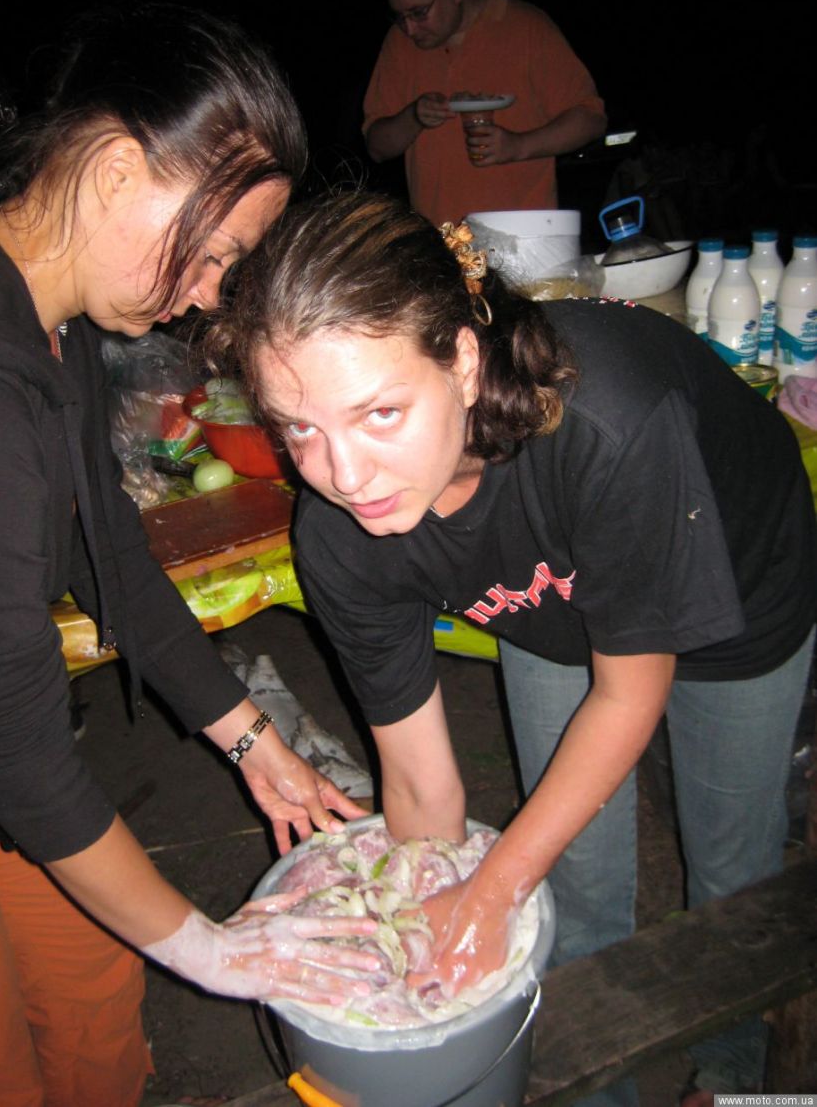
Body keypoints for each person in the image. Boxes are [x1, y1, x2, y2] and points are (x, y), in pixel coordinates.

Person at [209, 190, 817, 1107]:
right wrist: (408, 934)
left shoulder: (608, 421)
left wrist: (488, 893)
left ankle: (731, 1075)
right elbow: (421, 789)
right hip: (550, 594)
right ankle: (596, 1084)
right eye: (301, 427)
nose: (344, 476)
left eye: (380, 413)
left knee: (731, 865)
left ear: (461, 360)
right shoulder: (336, 535)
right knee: (566, 864)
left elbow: (629, 693)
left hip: (740, 571)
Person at [0, 8, 381, 1107]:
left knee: (92, 994)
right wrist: (214, 950)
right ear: (115, 171)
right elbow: (16, 747)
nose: (205, 293)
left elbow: (110, 552)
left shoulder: (52, 324)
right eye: (215, 252)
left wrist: (252, 740)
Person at [363, 0, 607, 225]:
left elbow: (591, 118)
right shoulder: (399, 42)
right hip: (440, 240)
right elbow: (377, 148)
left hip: (524, 234)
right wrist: (414, 116)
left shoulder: (525, 26)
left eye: (419, 13)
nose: (410, 29)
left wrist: (517, 146)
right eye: (399, 16)